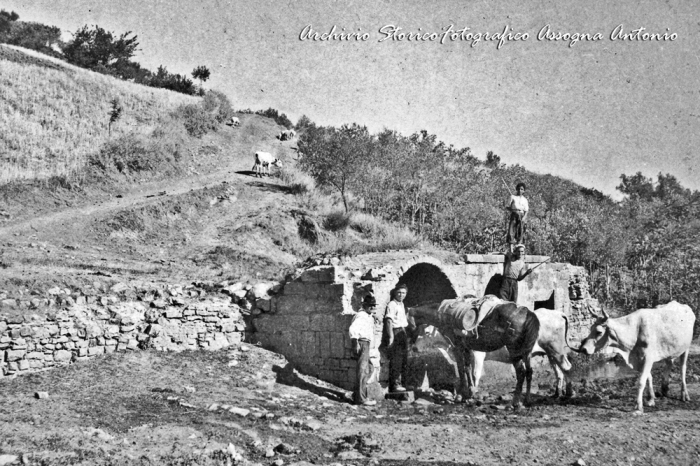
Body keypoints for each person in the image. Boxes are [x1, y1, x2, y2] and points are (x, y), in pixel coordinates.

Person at [349, 294, 378, 406]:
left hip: (366, 343)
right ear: (364, 305)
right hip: (362, 342)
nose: (372, 307)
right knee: (362, 370)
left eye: (374, 305)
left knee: (369, 368)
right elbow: (353, 329)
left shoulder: (367, 315)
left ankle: (357, 394)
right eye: (370, 305)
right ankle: (361, 399)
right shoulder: (361, 315)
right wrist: (355, 343)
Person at [383, 283, 409, 392]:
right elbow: (389, 321)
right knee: (396, 359)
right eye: (399, 292)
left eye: (403, 293)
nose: (401, 295)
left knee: (404, 359)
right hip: (396, 331)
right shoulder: (392, 304)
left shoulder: (401, 304)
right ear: (395, 292)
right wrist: (391, 337)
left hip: (403, 331)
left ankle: (401, 383)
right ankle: (395, 385)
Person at [506, 182, 529, 251]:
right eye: (518, 189)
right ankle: (511, 248)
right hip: (514, 214)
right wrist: (512, 210)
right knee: (511, 230)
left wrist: (524, 217)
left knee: (521, 230)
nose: (520, 190)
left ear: (524, 191)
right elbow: (507, 206)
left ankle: (519, 246)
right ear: (516, 189)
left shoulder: (525, 200)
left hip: (521, 215)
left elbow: (526, 210)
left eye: (521, 189)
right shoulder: (512, 197)